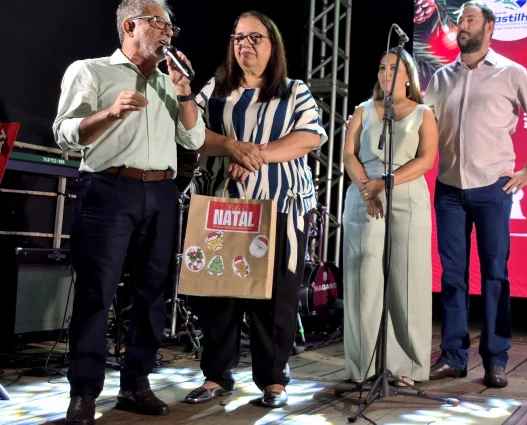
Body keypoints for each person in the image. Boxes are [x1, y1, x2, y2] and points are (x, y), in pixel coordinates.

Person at [51, 0, 204, 423]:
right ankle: (83, 392)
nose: (169, 34)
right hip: (108, 188)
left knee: (151, 295)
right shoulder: (91, 70)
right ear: (130, 25)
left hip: (160, 193)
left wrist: (185, 92)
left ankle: (136, 384)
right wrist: (110, 112)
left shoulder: (169, 82)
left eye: (172, 27)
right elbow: (65, 134)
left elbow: (191, 140)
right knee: (95, 293)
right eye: (160, 24)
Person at [182, 11, 327, 408]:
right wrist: (230, 145)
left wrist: (254, 154)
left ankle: (274, 380)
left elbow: (310, 137)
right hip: (224, 206)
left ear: (272, 44)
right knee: (219, 292)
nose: (245, 43)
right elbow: (190, 133)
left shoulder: (294, 90)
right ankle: (216, 376)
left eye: (255, 37)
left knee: (275, 295)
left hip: (279, 205)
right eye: (238, 37)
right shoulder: (214, 88)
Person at [423, 1, 527, 388]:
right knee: (452, 275)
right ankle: (453, 356)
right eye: (460, 20)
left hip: (492, 189)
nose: (461, 26)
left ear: (490, 27)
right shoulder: (441, 78)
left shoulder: (512, 72)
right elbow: (421, 123)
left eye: (470, 20)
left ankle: (496, 359)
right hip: (448, 188)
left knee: (495, 275)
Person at [341, 48, 438, 386]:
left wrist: (387, 182)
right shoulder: (363, 110)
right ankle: (363, 365)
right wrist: (368, 187)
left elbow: (426, 160)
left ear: (408, 76)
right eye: (381, 68)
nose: (386, 74)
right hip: (364, 193)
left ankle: (407, 366)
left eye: (393, 68)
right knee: (363, 279)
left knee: (407, 280)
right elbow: (348, 154)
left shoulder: (423, 113)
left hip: (406, 193)